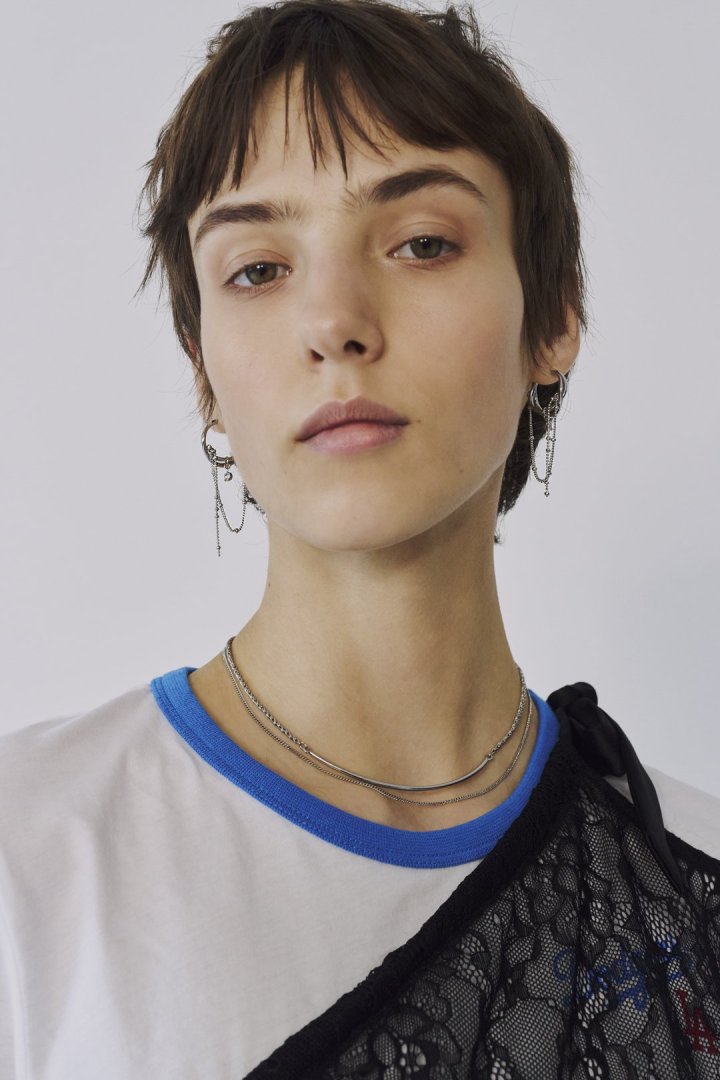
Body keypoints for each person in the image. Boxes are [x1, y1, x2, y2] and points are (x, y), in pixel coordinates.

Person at [2, 0, 719, 1075]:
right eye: (257, 268)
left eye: (423, 244)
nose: (335, 322)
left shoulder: (687, 879)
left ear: (554, 316)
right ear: (203, 368)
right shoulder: (29, 864)